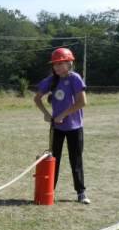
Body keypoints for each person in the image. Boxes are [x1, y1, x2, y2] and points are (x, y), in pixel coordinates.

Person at [34, 47, 90, 204]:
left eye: (61, 63)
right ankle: (49, 191)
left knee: (76, 160)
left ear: (70, 63)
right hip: (57, 128)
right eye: (55, 64)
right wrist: (46, 113)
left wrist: (63, 115)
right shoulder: (51, 80)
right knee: (54, 160)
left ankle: (81, 193)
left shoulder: (75, 78)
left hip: (75, 127)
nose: (57, 67)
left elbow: (82, 102)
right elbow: (37, 98)